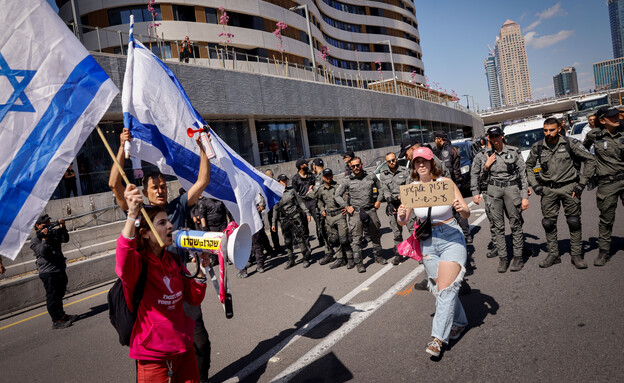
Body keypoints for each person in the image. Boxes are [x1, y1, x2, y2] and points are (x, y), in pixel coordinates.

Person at [109, 128, 213, 383]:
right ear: (144, 192)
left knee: (200, 343)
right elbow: (114, 183)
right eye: (155, 187)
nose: (160, 190)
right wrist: (123, 147)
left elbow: (202, 182)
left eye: (164, 186)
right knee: (154, 361)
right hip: (152, 292)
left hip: (178, 281)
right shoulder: (140, 212)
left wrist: (203, 147)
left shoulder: (177, 205)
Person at [117, 185, 207, 382]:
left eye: (169, 221)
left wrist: (201, 271)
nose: (170, 226)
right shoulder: (138, 265)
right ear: (146, 233)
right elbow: (124, 257)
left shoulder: (173, 260)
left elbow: (194, 297)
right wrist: (132, 215)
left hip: (184, 349)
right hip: (154, 357)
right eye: (162, 222)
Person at [397, 147, 470, 358]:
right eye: (417, 161)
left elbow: (466, 211)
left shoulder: (446, 184)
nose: (421, 164)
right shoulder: (412, 189)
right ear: (413, 165)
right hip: (428, 241)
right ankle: (460, 322)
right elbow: (404, 220)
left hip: (450, 237)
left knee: (446, 290)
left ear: (432, 163)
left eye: (425, 161)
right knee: (440, 289)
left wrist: (460, 207)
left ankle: (438, 338)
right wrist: (401, 215)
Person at [525, 118, 596, 269]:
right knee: (548, 223)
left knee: (574, 221)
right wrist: (535, 185)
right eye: (545, 130)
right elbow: (528, 167)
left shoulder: (571, 143)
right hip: (548, 190)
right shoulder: (537, 147)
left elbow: (590, 159)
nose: (548, 133)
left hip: (570, 188)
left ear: (559, 129)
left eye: (551, 130)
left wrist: (582, 183)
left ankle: (576, 255)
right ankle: (553, 254)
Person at [482, 126, 529, 273]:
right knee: (498, 227)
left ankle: (517, 257)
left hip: (511, 189)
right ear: (488, 138)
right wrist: (486, 166)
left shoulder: (513, 151)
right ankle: (503, 258)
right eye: (492, 137)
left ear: (502, 136)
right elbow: (481, 180)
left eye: (497, 136)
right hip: (494, 191)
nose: (495, 139)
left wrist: (524, 197)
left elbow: (523, 175)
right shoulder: (485, 155)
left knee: (515, 224)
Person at [583, 107, 624, 266]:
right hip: (607, 182)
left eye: (617, 115)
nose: (616, 118)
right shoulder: (594, 135)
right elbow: (582, 151)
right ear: (602, 120)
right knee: (606, 219)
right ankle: (604, 252)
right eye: (612, 117)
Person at [337, 156, 385, 272]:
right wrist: (346, 206)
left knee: (375, 234)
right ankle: (359, 263)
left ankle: (378, 257)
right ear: (350, 167)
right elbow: (337, 195)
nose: (356, 168)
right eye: (353, 166)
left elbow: (381, 188)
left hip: (370, 210)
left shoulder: (371, 176)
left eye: (357, 165)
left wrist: (378, 201)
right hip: (356, 212)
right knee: (356, 238)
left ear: (361, 164)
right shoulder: (347, 180)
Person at [31, 214, 78, 329]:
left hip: (59, 268)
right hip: (48, 272)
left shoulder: (53, 233)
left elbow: (65, 239)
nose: (48, 225)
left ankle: (61, 315)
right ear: (37, 226)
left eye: (48, 222)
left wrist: (62, 227)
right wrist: (44, 239)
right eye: (44, 224)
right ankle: (56, 320)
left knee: (60, 293)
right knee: (52, 296)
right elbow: (43, 252)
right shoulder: (35, 240)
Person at [434, 130, 472, 244]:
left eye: (435, 139)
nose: (435, 142)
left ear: (439, 139)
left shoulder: (446, 151)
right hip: (456, 183)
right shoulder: (450, 148)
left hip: (452, 184)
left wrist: (445, 185)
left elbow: (448, 169)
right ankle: (465, 234)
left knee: (457, 210)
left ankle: (466, 235)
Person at [314, 168, 355, 269]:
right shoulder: (321, 189)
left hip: (339, 215)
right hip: (329, 217)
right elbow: (319, 201)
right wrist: (322, 209)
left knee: (344, 239)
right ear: (323, 177)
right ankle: (340, 259)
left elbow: (347, 198)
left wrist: (347, 206)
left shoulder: (338, 187)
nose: (328, 177)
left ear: (332, 176)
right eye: (326, 176)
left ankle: (350, 258)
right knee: (334, 240)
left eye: (330, 175)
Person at [272, 174, 312, 269]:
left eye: (285, 180)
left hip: (295, 217)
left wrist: (307, 213)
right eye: (282, 181)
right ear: (278, 182)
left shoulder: (292, 191)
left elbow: (300, 202)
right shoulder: (276, 194)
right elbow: (275, 210)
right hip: (284, 220)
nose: (285, 182)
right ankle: (291, 259)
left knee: (299, 237)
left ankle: (305, 258)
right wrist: (274, 223)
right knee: (287, 240)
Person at [379, 152, 410, 265]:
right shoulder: (384, 175)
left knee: (412, 230)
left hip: (406, 204)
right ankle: (399, 254)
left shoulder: (405, 171)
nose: (392, 162)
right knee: (396, 232)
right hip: (393, 204)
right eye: (389, 161)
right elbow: (385, 190)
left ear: (396, 159)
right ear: (386, 163)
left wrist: (401, 199)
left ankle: (419, 253)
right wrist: (389, 202)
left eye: (393, 160)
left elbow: (408, 188)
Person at [292, 159, 323, 248]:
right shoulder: (295, 178)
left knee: (319, 222)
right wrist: (298, 207)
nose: (307, 165)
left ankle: (322, 241)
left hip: (313, 202)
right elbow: (295, 193)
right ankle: (307, 246)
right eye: (306, 164)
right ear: (301, 166)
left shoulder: (311, 175)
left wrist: (313, 186)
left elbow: (317, 184)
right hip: (303, 204)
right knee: (304, 225)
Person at [310, 158, 333, 265]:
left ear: (314, 166)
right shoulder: (327, 173)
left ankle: (329, 253)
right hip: (328, 206)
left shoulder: (320, 177)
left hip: (324, 208)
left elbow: (315, 193)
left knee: (325, 231)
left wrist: (308, 192)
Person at [264, 169, 281, 254]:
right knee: (278, 226)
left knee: (273, 228)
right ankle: (278, 246)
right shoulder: (276, 183)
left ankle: (277, 246)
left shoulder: (266, 185)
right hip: (277, 207)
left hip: (272, 208)